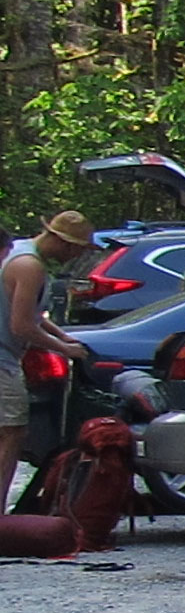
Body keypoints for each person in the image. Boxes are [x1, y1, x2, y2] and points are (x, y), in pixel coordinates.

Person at [0, 209, 102, 499]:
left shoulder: (19, 250)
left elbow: (31, 313)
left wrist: (61, 334)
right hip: (2, 359)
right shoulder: (30, 266)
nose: (76, 257)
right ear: (65, 243)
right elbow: (21, 326)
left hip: (6, 356)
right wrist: (64, 349)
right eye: (78, 250)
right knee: (12, 432)